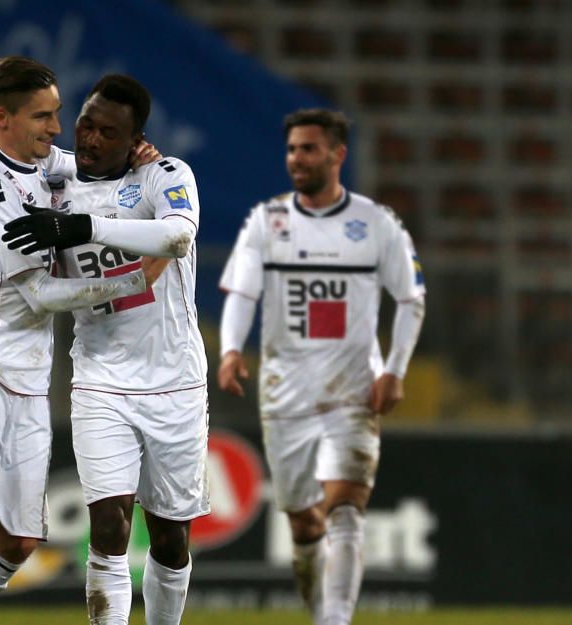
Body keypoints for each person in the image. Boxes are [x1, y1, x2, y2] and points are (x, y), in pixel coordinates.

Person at [0, 56, 155, 625]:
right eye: (43, 116)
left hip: (28, 377)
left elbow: (93, 168)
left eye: (58, 114)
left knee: (18, 540)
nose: (57, 128)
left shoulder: (46, 165)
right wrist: (130, 281)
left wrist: (139, 160)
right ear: (3, 118)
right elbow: (40, 294)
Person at [0, 73, 209, 625]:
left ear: (135, 139)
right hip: (100, 377)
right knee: (109, 527)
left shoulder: (165, 175)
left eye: (108, 133)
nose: (91, 139)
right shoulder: (53, 180)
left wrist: (84, 228)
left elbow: (177, 236)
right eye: (85, 125)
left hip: (176, 380)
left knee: (170, 537)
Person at [216, 108, 426, 625]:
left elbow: (411, 299)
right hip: (285, 393)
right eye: (292, 149)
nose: (296, 159)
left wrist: (395, 370)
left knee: (347, 507)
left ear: (338, 155)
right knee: (304, 524)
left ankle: (333, 621)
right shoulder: (268, 221)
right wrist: (230, 350)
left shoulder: (376, 224)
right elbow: (242, 292)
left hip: (352, 389)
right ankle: (322, 608)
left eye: (308, 148)